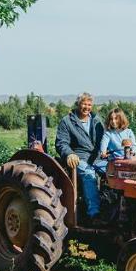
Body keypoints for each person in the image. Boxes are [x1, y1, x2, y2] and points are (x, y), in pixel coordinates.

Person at [54, 92, 107, 220]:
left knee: (116, 172)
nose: (86, 107)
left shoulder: (96, 120)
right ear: (78, 104)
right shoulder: (67, 121)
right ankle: (94, 214)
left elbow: (106, 138)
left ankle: (113, 209)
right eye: (84, 103)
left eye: (89, 104)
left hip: (97, 158)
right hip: (79, 158)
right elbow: (62, 142)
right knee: (89, 174)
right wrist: (69, 153)